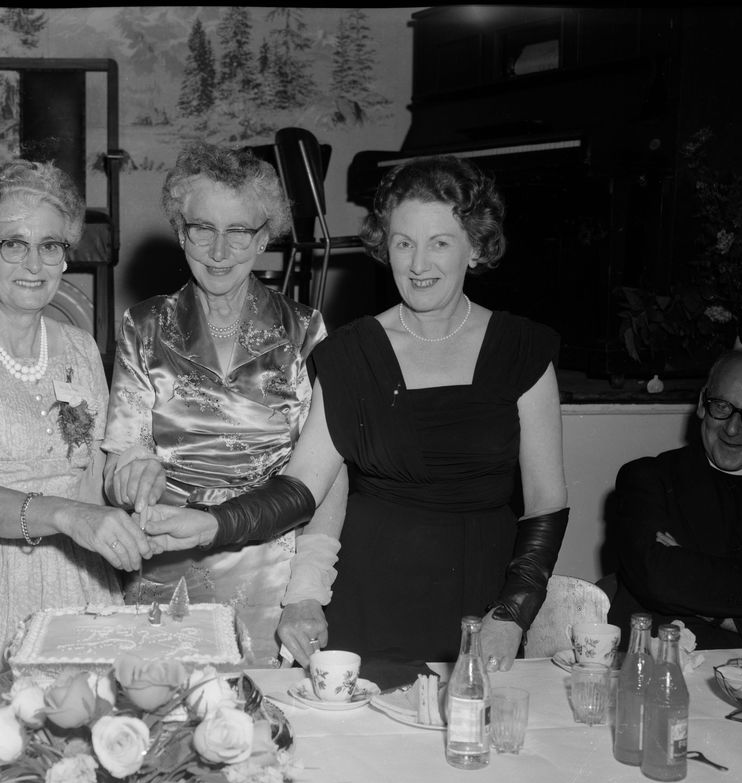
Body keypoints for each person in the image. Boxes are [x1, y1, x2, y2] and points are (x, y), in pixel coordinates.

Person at [145, 155, 569, 682]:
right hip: (367, 597)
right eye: (403, 242)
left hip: (480, 601)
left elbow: (546, 504)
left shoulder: (523, 350)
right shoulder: (350, 352)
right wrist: (213, 523)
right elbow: (301, 487)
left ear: (476, 247)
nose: (418, 264)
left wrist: (512, 612)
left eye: (440, 242)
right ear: (384, 246)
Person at [0, 159, 151, 676]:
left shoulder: (81, 348)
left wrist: (136, 481)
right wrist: (69, 516)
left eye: (51, 245)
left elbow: (89, 482)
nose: (34, 264)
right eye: (13, 243)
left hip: (75, 577)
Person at [101, 141, 345, 665]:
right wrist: (129, 477)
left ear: (264, 238)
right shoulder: (143, 326)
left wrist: (307, 592)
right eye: (202, 229)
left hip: (272, 576)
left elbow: (327, 478)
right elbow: (123, 458)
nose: (218, 250)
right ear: (180, 231)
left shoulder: (305, 331)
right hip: (167, 562)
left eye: (239, 231)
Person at [605, 349, 742, 649]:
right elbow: (658, 579)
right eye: (721, 406)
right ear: (701, 403)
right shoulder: (647, 478)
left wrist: (702, 597)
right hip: (655, 670)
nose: (732, 429)